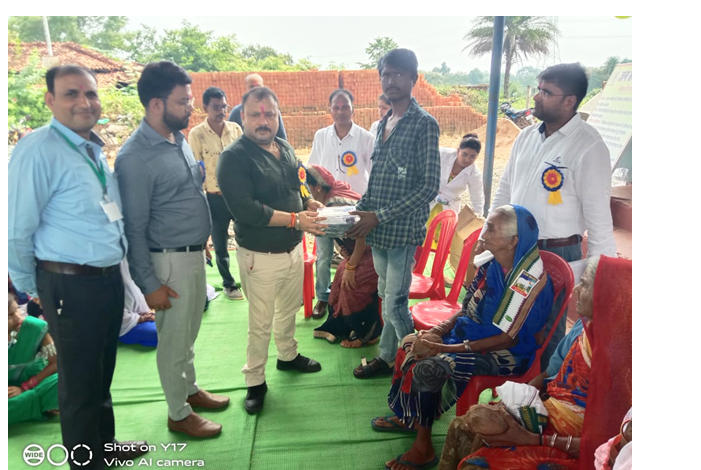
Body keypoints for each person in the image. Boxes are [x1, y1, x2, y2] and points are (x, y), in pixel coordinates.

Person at [8, 64, 147, 468]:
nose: (84, 102)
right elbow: (16, 229)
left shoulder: (92, 150)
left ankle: (105, 445)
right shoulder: (38, 150)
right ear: (50, 100)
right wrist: (34, 288)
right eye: (71, 93)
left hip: (105, 280)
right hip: (68, 285)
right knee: (79, 385)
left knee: (100, 372)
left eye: (91, 93)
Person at [371, 205, 554, 470]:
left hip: (507, 353)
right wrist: (439, 330)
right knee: (411, 343)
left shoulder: (528, 281)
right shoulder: (492, 264)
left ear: (513, 241)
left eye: (491, 229)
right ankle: (410, 417)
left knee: (429, 367)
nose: (483, 233)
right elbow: (467, 307)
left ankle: (424, 448)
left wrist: (449, 349)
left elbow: (508, 339)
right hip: (472, 336)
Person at [115, 60, 229, 439]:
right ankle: (178, 413)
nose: (191, 107)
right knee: (173, 339)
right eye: (183, 101)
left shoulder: (177, 139)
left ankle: (190, 390)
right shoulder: (134, 158)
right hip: (168, 260)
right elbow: (134, 227)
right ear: (156, 104)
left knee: (188, 332)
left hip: (192, 253)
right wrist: (149, 284)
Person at [438, 255, 631, 470]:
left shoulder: (626, 367)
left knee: (480, 465)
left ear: (606, 294)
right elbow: (548, 375)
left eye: (584, 285)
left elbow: (605, 445)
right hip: (546, 416)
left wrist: (531, 438)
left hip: (575, 444)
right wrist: (516, 403)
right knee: (463, 426)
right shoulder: (583, 328)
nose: (577, 289)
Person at [484, 63, 617, 372]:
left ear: (570, 101)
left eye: (546, 92)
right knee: (506, 321)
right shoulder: (527, 136)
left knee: (545, 332)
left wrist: (600, 275)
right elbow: (505, 190)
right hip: (514, 248)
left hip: (555, 254)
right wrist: (487, 234)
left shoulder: (589, 145)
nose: (536, 97)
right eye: (539, 89)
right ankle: (507, 387)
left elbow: (599, 218)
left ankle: (541, 395)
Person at [216, 86, 326, 415]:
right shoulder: (234, 158)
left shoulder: (285, 147)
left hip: (293, 249)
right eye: (255, 115)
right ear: (242, 117)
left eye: (269, 114)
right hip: (259, 256)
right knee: (260, 322)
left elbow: (299, 182)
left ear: (278, 116)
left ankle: (288, 356)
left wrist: (309, 201)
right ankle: (255, 380)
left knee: (288, 309)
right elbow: (247, 210)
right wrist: (296, 219)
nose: (263, 121)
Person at [346, 48, 441, 379]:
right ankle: (388, 357)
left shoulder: (424, 124)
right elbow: (377, 182)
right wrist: (359, 211)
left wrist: (379, 216)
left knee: (396, 303)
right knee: (386, 296)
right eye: (386, 74)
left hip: (401, 233)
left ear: (413, 79)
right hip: (378, 232)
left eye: (399, 74)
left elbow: (428, 187)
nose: (391, 80)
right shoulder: (383, 123)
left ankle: (421, 368)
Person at [307, 89, 375, 319]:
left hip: (355, 209)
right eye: (336, 107)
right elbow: (312, 169)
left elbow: (374, 174)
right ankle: (323, 297)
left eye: (345, 106)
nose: (340, 111)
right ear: (330, 110)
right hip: (326, 208)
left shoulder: (366, 138)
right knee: (324, 255)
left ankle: (351, 296)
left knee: (355, 254)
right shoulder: (321, 136)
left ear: (353, 109)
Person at [306, 165, 382, 348]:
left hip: (377, 251)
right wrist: (346, 256)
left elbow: (362, 236)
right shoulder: (328, 200)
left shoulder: (336, 205)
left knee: (352, 280)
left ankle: (367, 332)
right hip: (362, 250)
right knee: (340, 276)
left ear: (318, 187)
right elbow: (342, 236)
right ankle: (342, 325)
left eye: (307, 188)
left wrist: (351, 265)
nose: (306, 194)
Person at [189, 86, 244, 301]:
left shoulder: (235, 129)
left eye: (224, 106)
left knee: (247, 239)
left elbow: (245, 160)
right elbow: (196, 171)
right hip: (214, 198)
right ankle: (229, 284)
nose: (221, 111)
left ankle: (251, 278)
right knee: (220, 244)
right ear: (205, 108)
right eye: (216, 107)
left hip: (237, 197)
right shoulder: (197, 134)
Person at [8, 294, 59, 424]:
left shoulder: (35, 327)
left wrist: (25, 387)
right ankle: (42, 406)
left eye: (17, 309)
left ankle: (28, 405)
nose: (17, 317)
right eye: (9, 316)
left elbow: (56, 363)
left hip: (36, 384)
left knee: (64, 380)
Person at [228, 73, 287, 140]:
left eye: (258, 87)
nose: (255, 90)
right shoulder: (236, 112)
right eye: (252, 87)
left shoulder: (273, 111)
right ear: (245, 88)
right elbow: (230, 136)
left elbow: (282, 137)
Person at [118, 260, 157, 348]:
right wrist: (143, 318)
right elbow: (118, 318)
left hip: (140, 313)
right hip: (126, 325)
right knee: (160, 332)